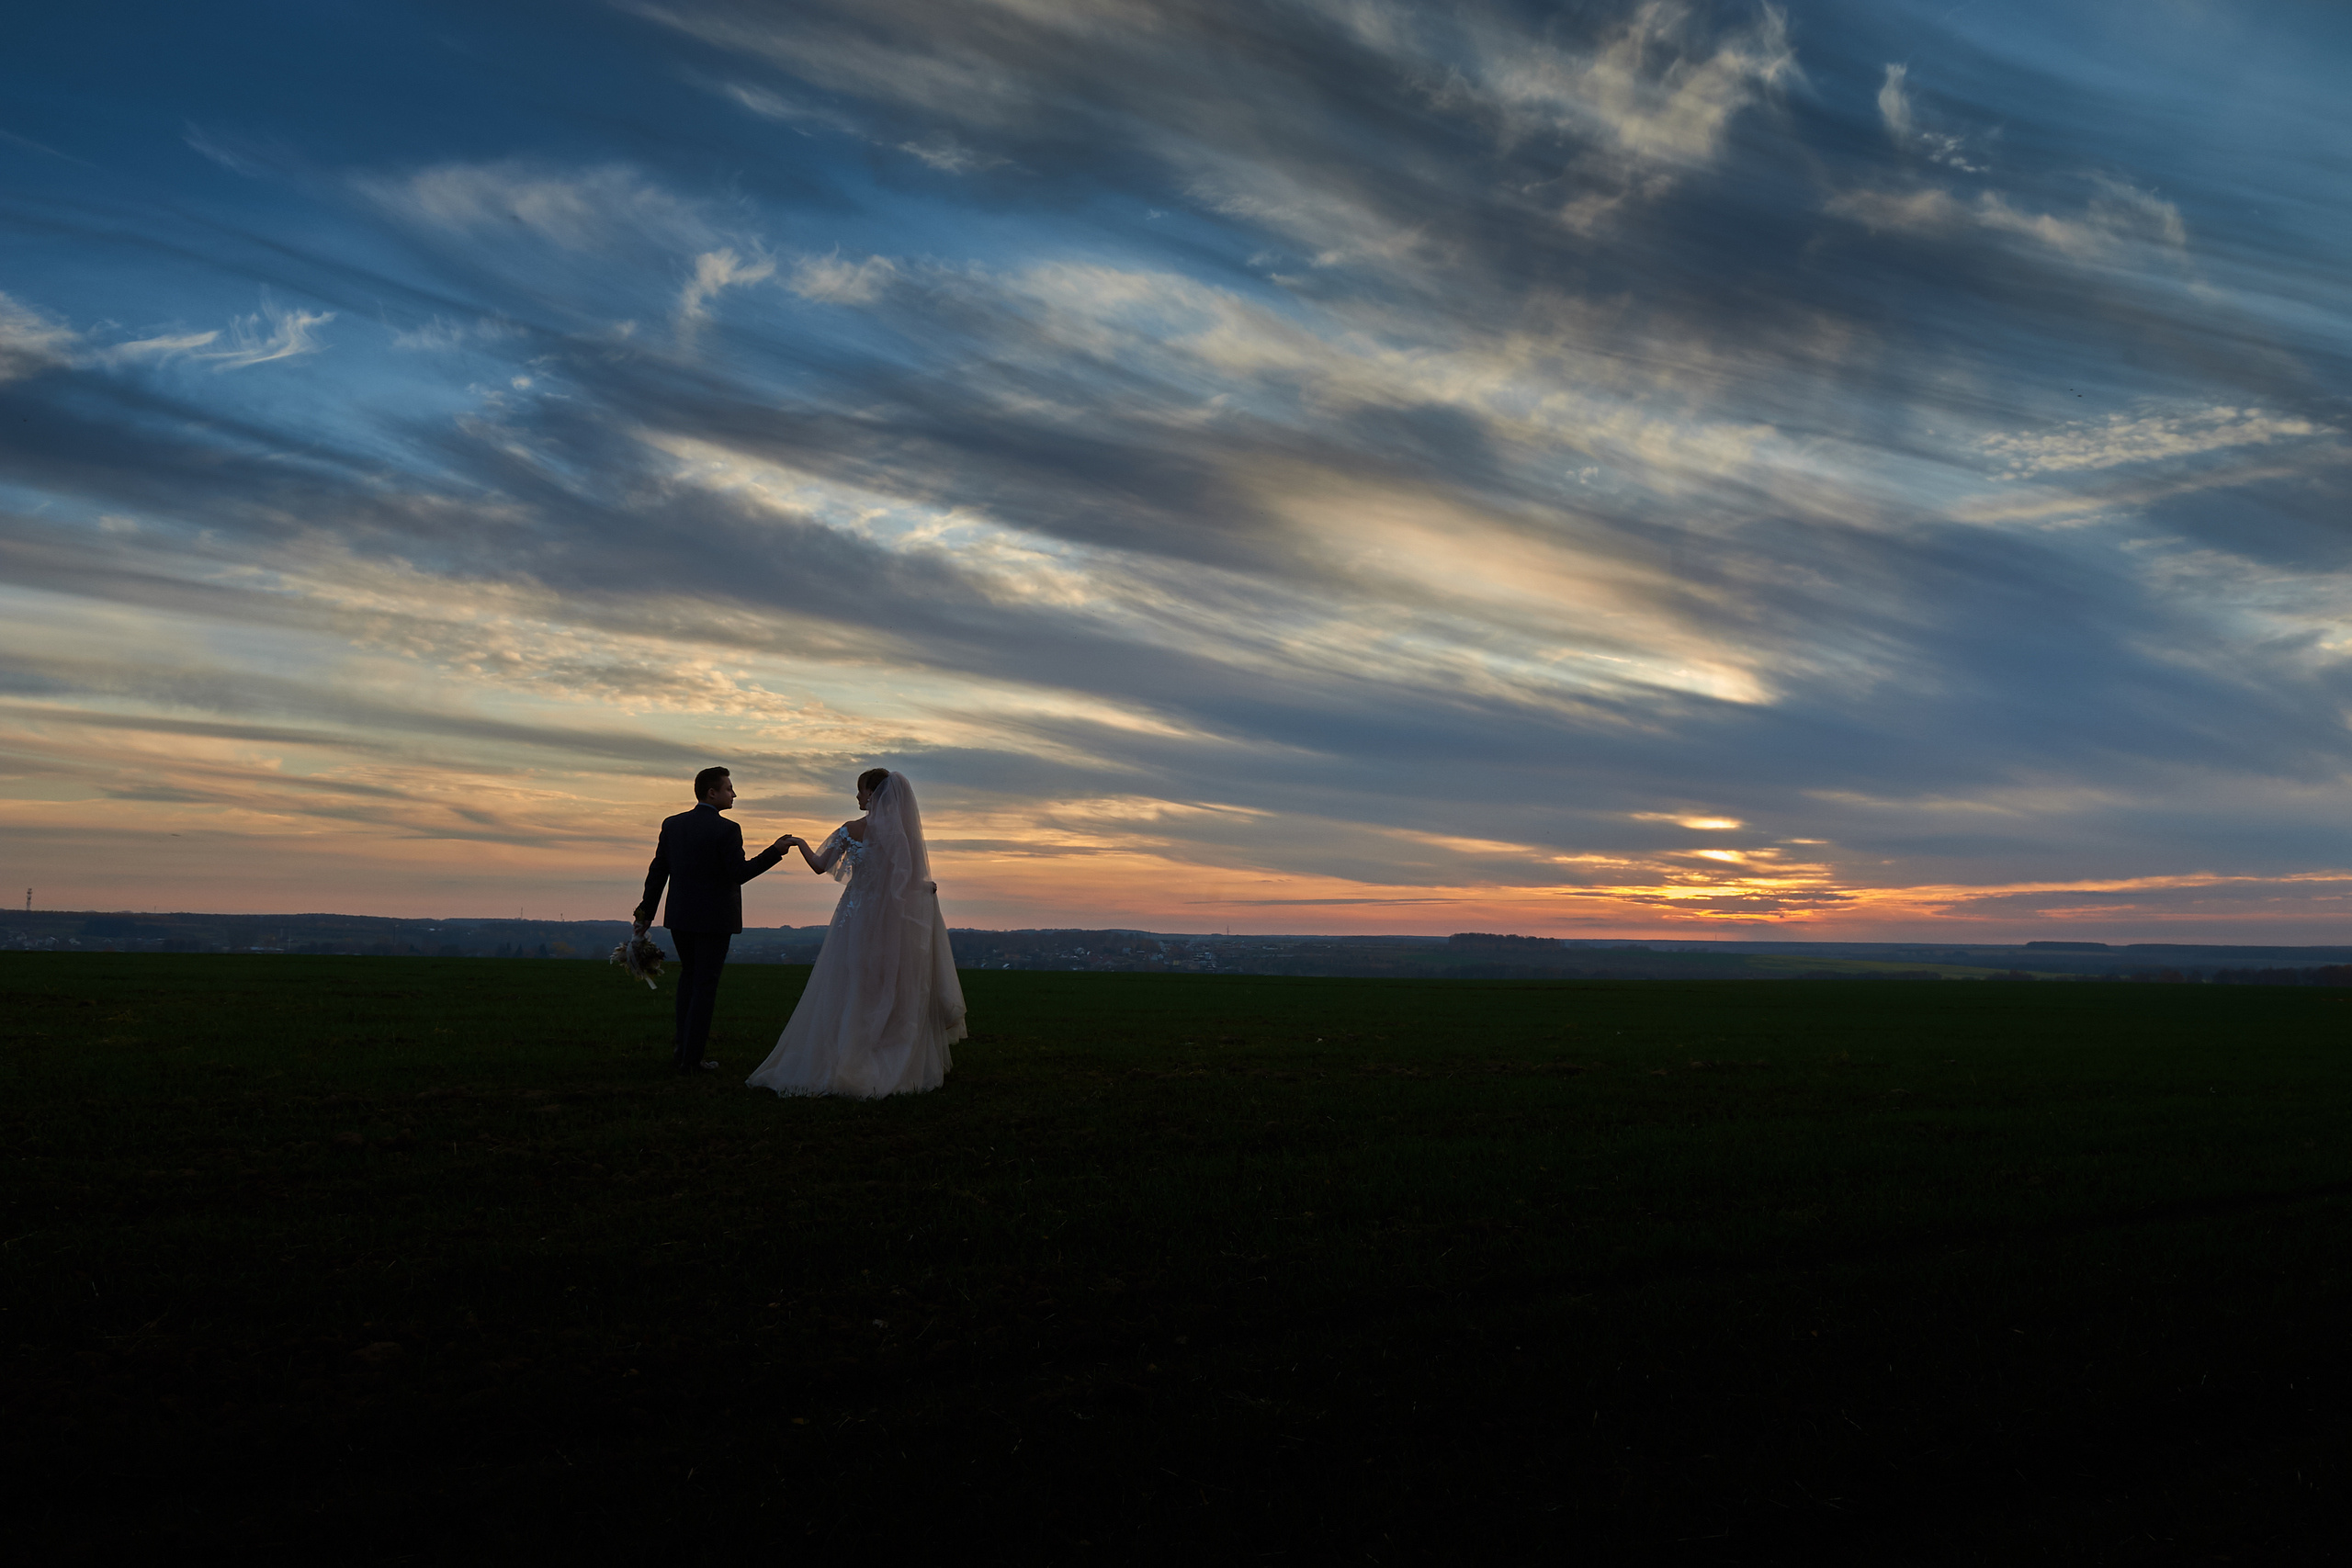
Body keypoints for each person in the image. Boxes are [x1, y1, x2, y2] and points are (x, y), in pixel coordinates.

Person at [747, 768, 967, 1099]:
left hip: (857, 918)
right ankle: (882, 1051)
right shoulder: (900, 836)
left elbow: (821, 865)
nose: (857, 796)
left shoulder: (850, 830)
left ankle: (846, 1051)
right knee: (885, 984)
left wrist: (800, 843)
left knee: (850, 983)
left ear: (872, 795)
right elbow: (903, 881)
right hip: (890, 921)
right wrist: (923, 888)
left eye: (861, 790)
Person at [633, 766, 791, 1074]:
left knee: (688, 980)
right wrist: (775, 851)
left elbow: (657, 873)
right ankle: (692, 1060)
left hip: (680, 917)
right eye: (730, 788)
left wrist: (644, 915)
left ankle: (682, 1051)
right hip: (715, 920)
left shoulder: (673, 825)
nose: (734, 794)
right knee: (705, 986)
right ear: (712, 793)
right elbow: (739, 873)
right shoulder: (727, 829)